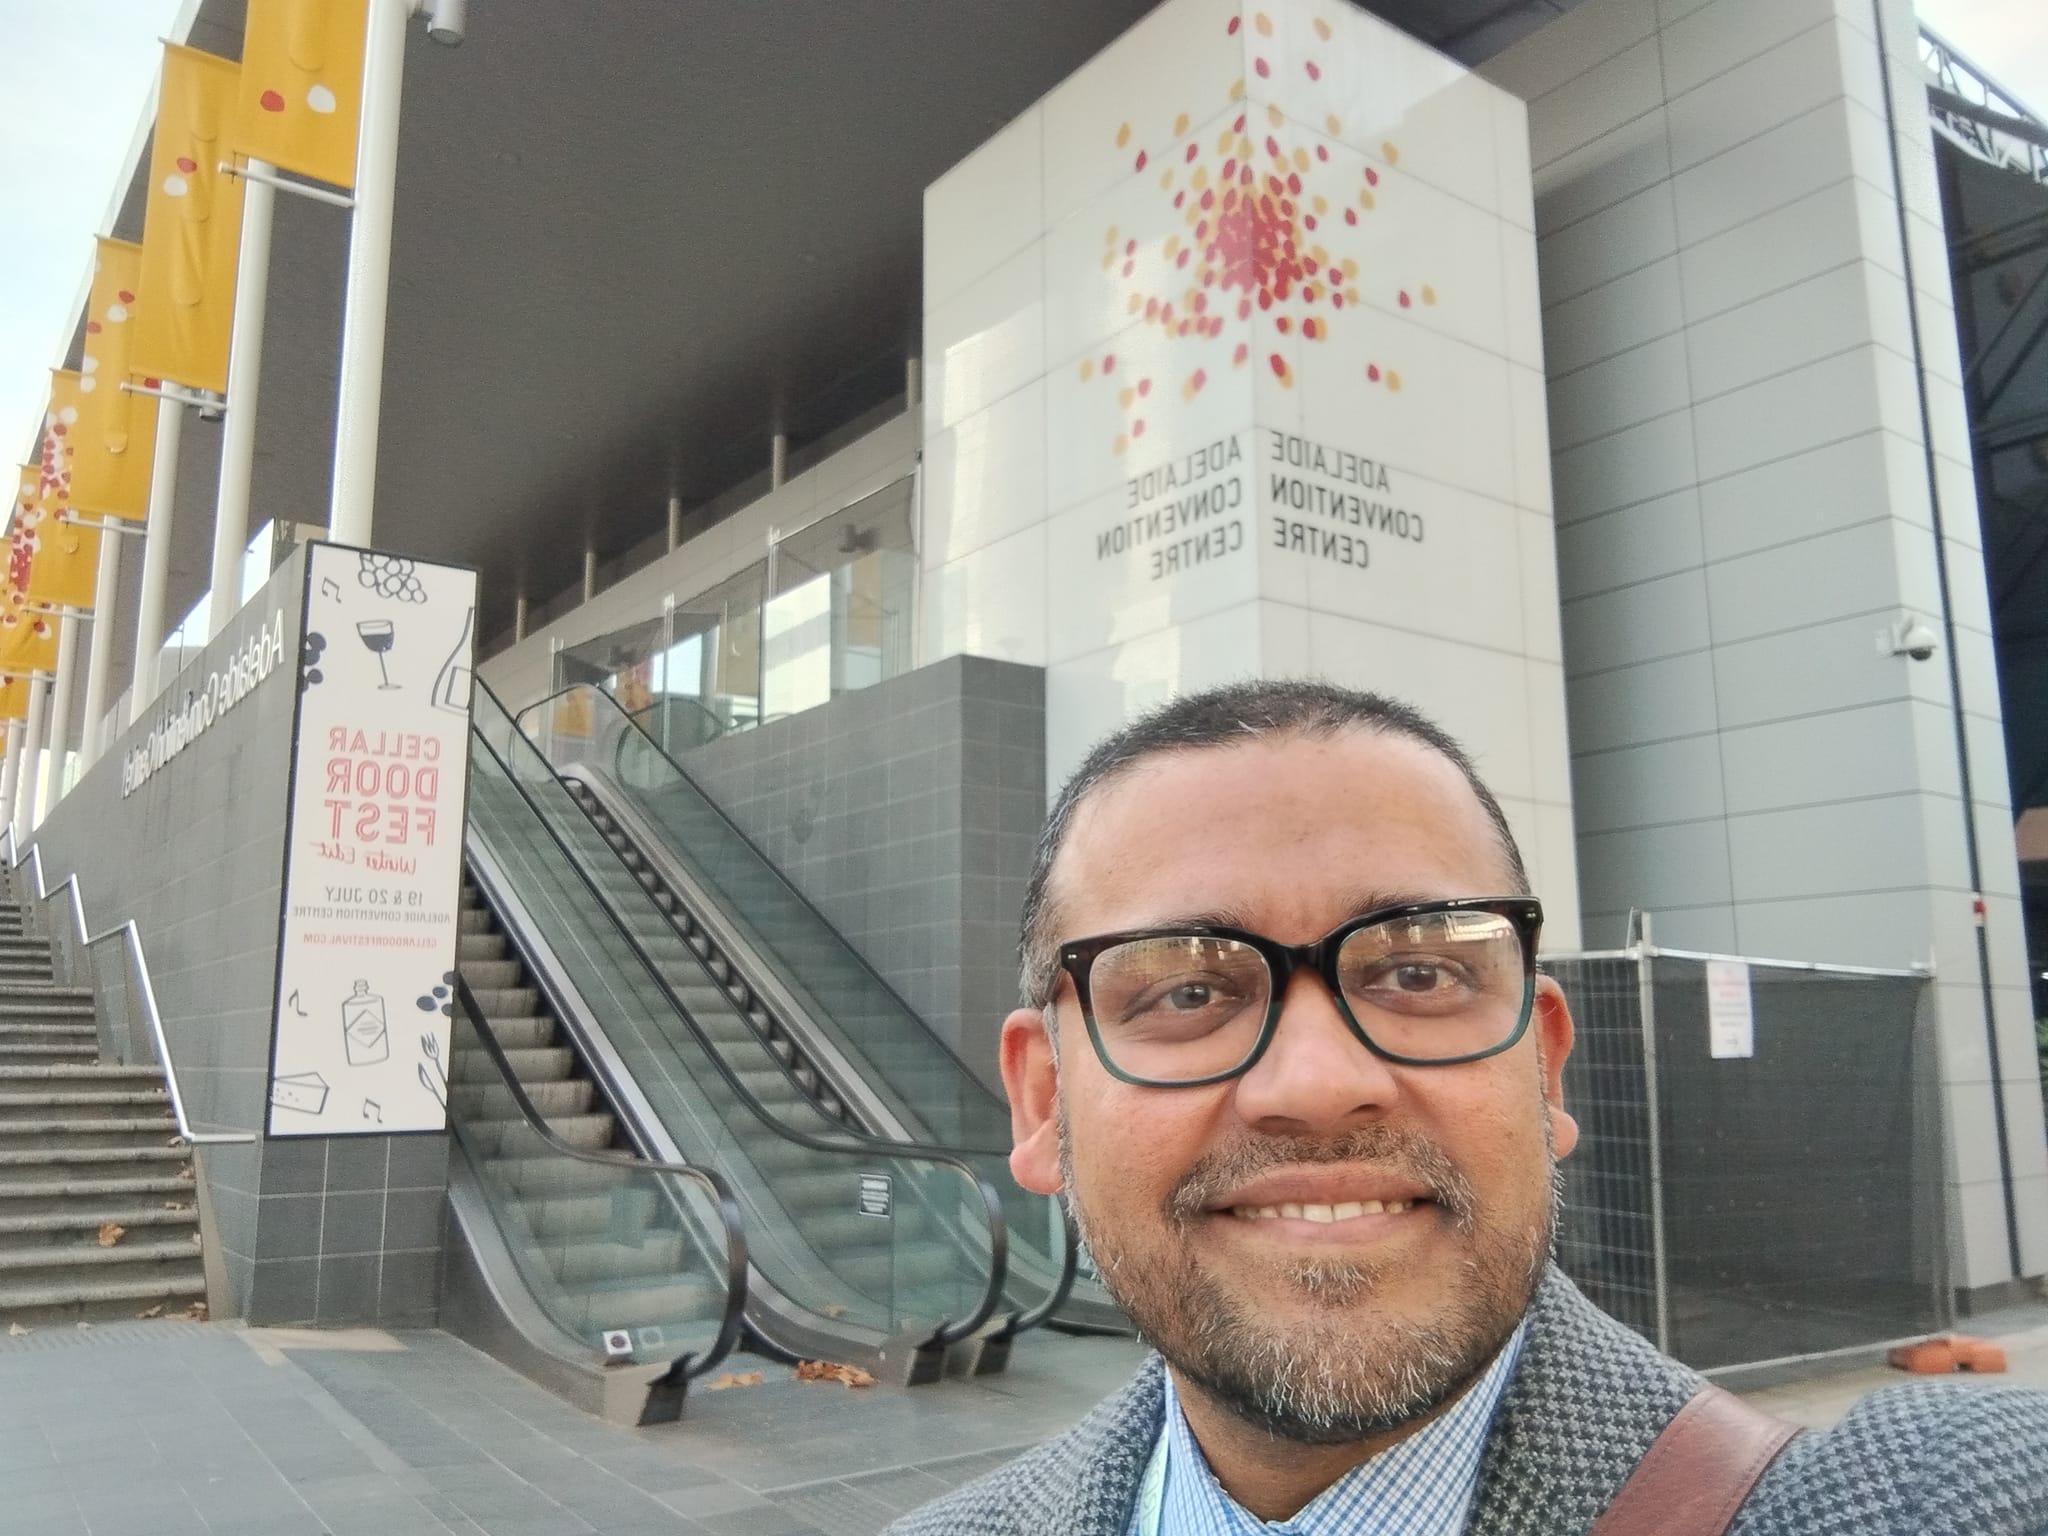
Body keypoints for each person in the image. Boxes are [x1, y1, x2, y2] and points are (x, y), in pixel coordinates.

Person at [886, 680, 2048, 1536]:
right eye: (1186, 987)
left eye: (1416, 972)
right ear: (1043, 1102)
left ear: (1542, 1070)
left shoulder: (1932, 1502)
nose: (1314, 1083)